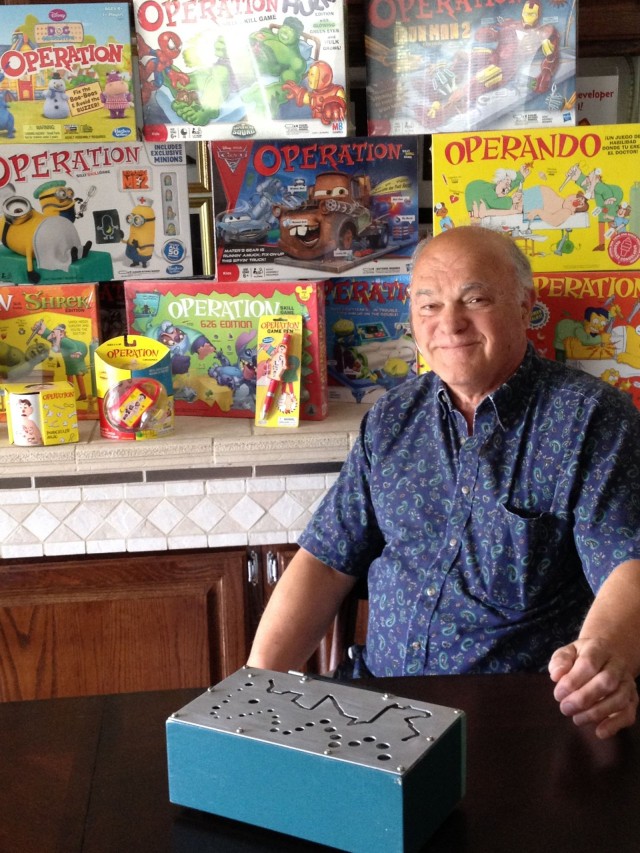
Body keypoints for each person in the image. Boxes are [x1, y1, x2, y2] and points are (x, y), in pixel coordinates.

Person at [248, 226, 640, 739]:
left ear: (525, 306)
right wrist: (254, 693)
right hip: (376, 712)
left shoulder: (591, 420)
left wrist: (598, 663)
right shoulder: (392, 417)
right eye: (428, 305)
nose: (450, 324)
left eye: (474, 299)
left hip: (516, 724)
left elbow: (626, 568)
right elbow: (325, 561)